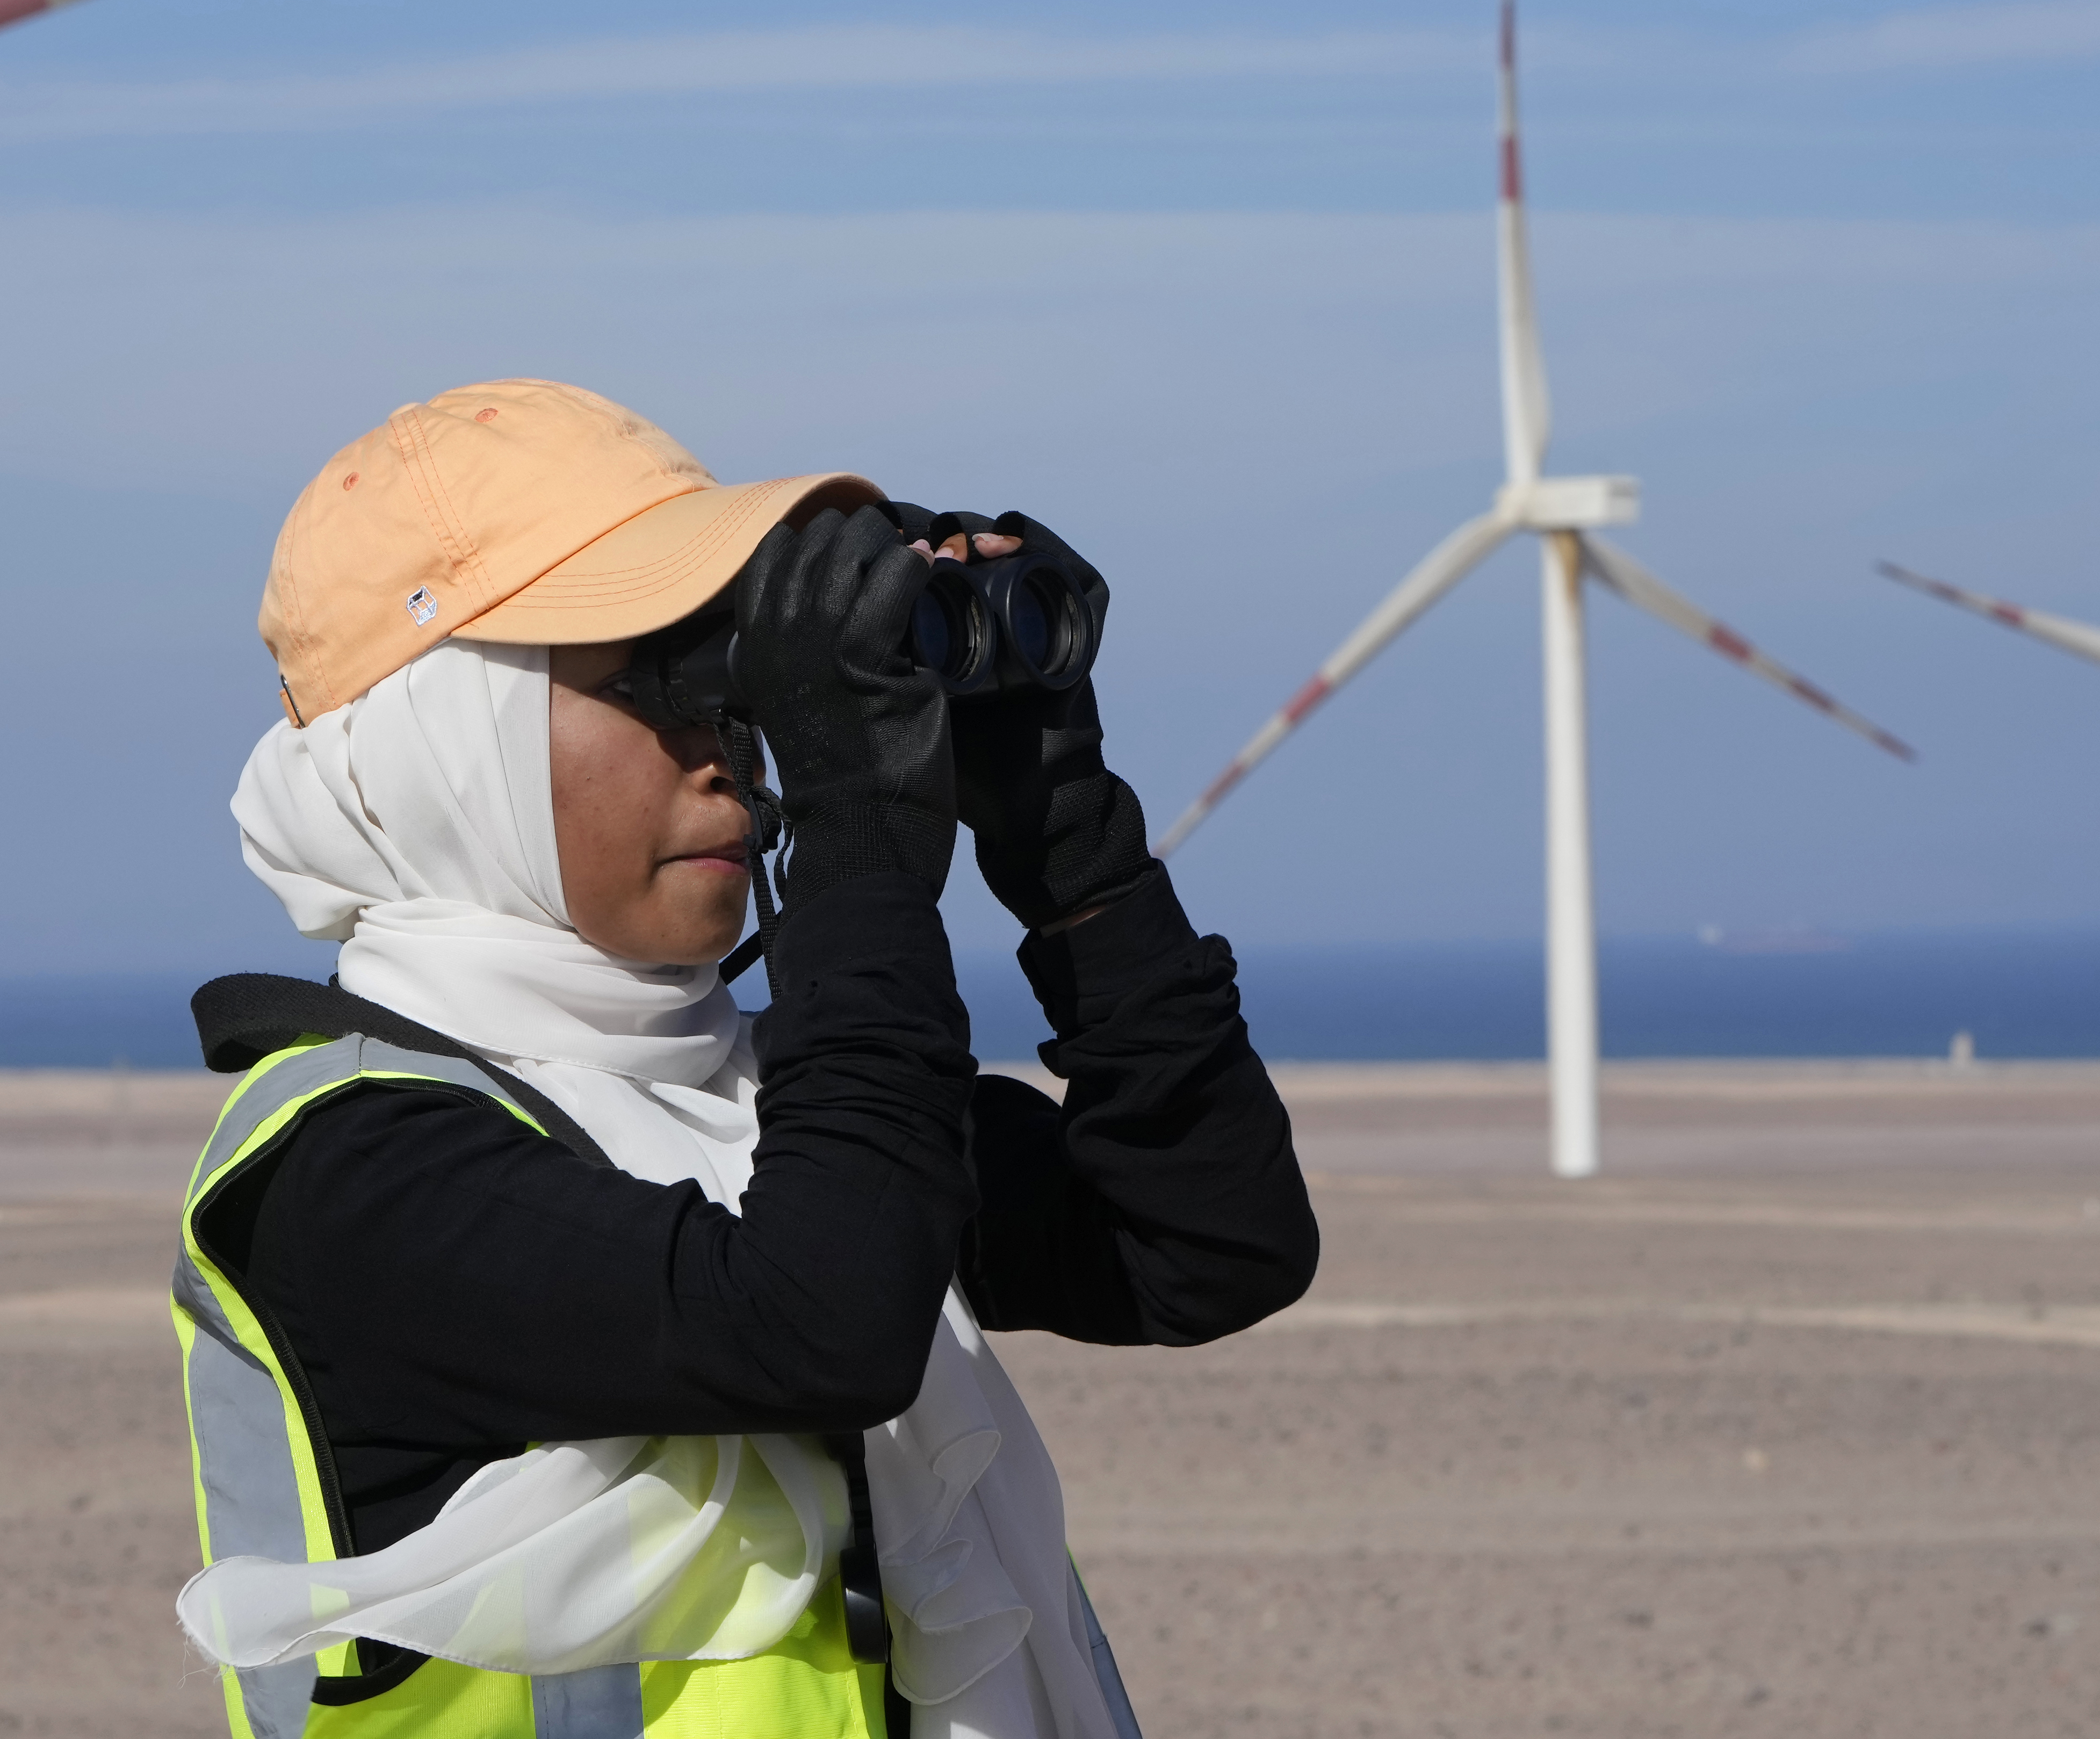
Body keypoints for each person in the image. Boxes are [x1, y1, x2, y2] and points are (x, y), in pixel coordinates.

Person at [170, 379, 1318, 1739]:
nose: (732, 752)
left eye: (738, 683)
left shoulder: (759, 1105)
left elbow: (1207, 1243)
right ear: (441, 750)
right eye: (660, 682)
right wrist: (861, 827)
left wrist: (1069, 843)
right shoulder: (341, 1168)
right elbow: (820, 1321)